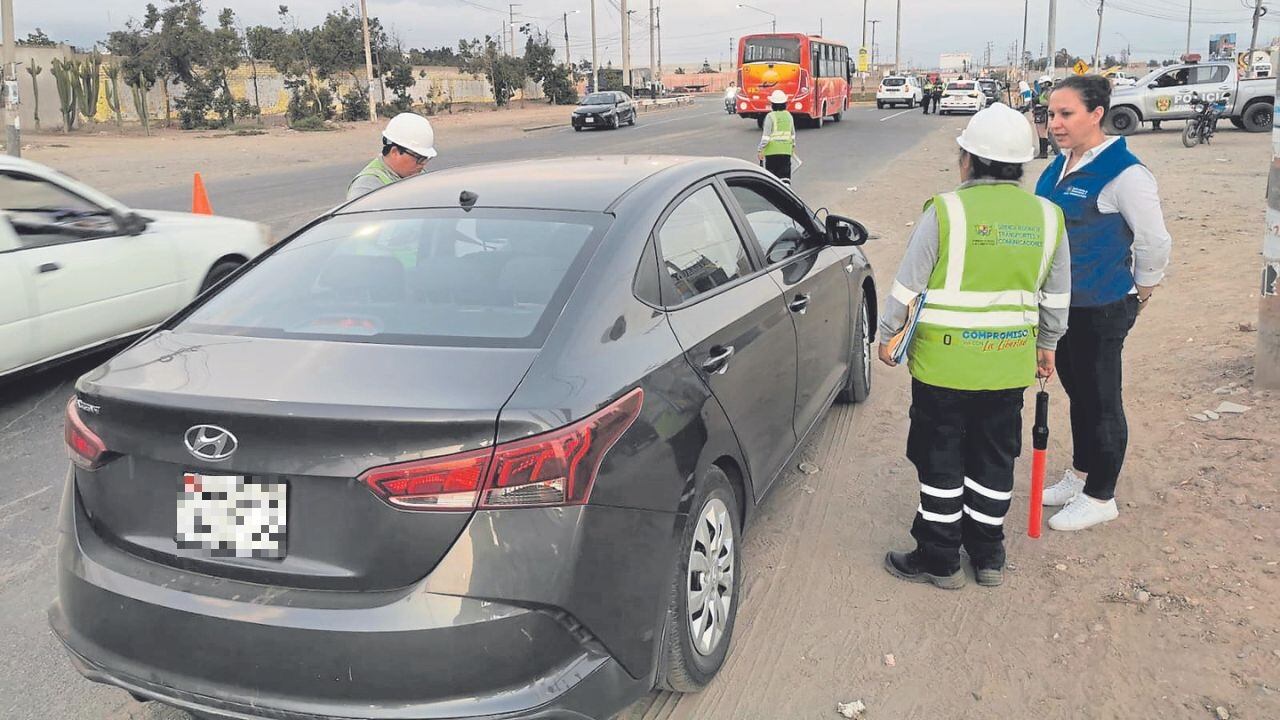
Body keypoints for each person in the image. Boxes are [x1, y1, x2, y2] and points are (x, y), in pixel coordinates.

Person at [878, 103, 1072, 589]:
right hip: (1007, 367)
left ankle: (940, 559)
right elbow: (1057, 296)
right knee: (993, 458)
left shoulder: (945, 211)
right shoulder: (1049, 218)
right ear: (1022, 163)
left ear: (968, 159)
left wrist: (886, 337)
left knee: (939, 456)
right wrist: (1047, 344)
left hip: (942, 368)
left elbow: (907, 287)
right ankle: (987, 555)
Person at [1034, 74, 1172, 532]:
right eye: (1052, 114)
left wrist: (1143, 290)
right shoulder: (1059, 165)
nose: (1055, 123)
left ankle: (1101, 495)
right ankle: (1081, 473)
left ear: (1096, 114)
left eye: (1066, 114)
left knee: (1102, 398)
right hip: (1062, 306)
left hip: (1102, 306)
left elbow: (1153, 240)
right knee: (1077, 393)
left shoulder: (1125, 174)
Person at [346, 112, 438, 201]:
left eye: (426, 158)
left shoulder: (419, 175)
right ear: (395, 152)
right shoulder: (366, 187)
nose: (422, 165)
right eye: (419, 158)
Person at [757, 90, 796, 184]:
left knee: (773, 181)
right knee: (785, 179)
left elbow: (766, 138)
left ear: (772, 104)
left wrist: (760, 150)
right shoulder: (789, 116)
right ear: (784, 104)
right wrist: (792, 147)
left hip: (771, 153)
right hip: (786, 151)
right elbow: (793, 135)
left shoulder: (770, 116)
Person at [1032, 75, 1054, 158]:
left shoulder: (1049, 91)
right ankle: (1042, 152)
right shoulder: (1043, 92)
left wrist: (1039, 100)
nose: (1041, 86)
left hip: (1044, 113)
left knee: (1043, 134)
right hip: (1040, 112)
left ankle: (1043, 153)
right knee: (1040, 134)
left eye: (1042, 84)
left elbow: (1049, 102)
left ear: (1047, 83)